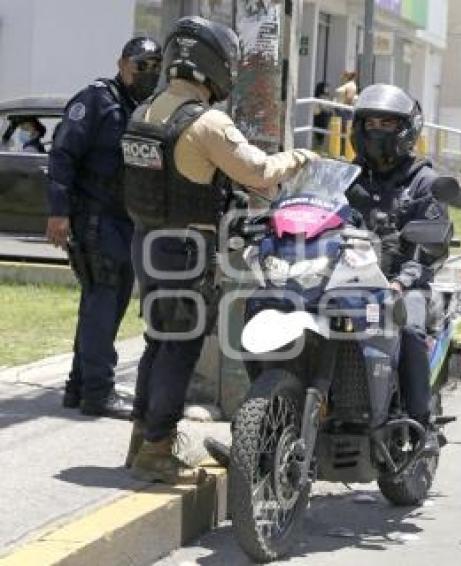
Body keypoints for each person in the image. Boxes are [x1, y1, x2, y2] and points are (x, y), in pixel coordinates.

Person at [121, 16, 316, 484]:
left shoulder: (146, 111)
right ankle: (157, 448)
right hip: (185, 247)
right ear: (213, 64)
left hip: (147, 240)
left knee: (158, 339)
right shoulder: (207, 122)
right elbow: (259, 171)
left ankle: (143, 438)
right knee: (180, 346)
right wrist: (301, 158)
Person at [47, 36, 163, 418]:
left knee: (102, 304)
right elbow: (63, 155)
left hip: (123, 220)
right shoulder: (96, 99)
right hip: (96, 219)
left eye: (155, 66)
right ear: (123, 63)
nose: (148, 72)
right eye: (141, 65)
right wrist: (59, 213)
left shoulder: (139, 106)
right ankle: (98, 392)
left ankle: (79, 387)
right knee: (103, 303)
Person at [345, 83, 448, 455]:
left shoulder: (424, 181)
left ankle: (422, 429)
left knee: (408, 330)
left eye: (387, 123)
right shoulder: (348, 177)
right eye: (370, 121)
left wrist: (402, 282)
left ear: (406, 130)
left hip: (403, 284)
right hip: (348, 282)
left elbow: (432, 244)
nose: (376, 130)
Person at [312, 81, 332, 149]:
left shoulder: (326, 98)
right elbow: (316, 112)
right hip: (320, 120)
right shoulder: (318, 98)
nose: (327, 89)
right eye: (326, 87)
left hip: (326, 120)